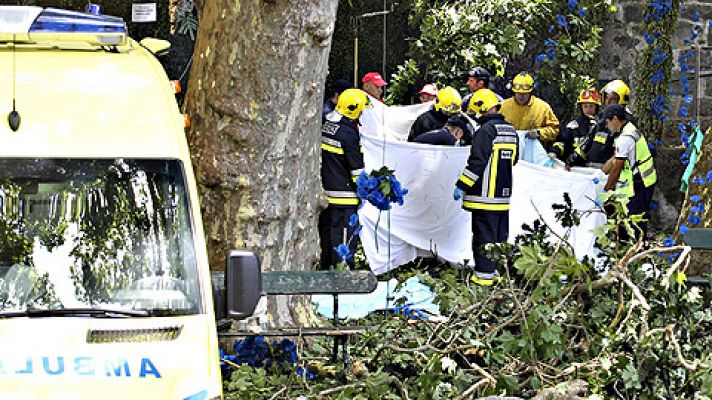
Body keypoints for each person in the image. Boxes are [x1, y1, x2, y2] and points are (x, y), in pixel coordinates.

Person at [454, 89, 519, 286]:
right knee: (499, 238)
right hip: (503, 197)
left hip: (484, 196)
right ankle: (496, 273)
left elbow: (477, 162)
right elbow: (514, 160)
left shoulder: (486, 132)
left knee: (483, 238)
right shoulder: (510, 130)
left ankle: (483, 278)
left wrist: (462, 185)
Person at [319, 89, 371, 269]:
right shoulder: (348, 134)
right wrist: (370, 189)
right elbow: (356, 171)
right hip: (344, 199)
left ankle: (327, 276)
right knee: (343, 243)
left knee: (327, 241)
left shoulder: (327, 124)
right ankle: (343, 282)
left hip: (326, 196)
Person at [602, 104, 656, 241]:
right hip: (645, 179)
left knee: (633, 219)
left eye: (607, 122)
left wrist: (606, 190)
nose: (606, 126)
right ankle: (635, 247)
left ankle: (635, 249)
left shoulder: (625, 138)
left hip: (640, 182)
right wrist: (600, 173)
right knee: (633, 218)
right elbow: (615, 158)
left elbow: (617, 168)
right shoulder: (629, 128)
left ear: (615, 119)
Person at [565, 80, 635, 169]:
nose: (608, 102)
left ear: (622, 100)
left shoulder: (626, 122)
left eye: (613, 99)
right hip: (591, 170)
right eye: (606, 98)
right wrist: (572, 160)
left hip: (608, 173)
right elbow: (588, 142)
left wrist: (606, 171)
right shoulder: (601, 117)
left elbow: (620, 153)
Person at [500, 72, 559, 145]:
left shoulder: (542, 107)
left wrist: (539, 133)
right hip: (508, 148)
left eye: (524, 94)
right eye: (518, 93)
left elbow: (554, 129)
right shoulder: (503, 106)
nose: (521, 97)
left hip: (532, 150)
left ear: (531, 92)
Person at [550, 88, 601, 163]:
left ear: (596, 107)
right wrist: (555, 151)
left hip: (594, 167)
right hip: (574, 166)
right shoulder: (573, 125)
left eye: (591, 106)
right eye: (585, 106)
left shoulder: (602, 125)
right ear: (581, 107)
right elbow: (562, 141)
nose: (588, 109)